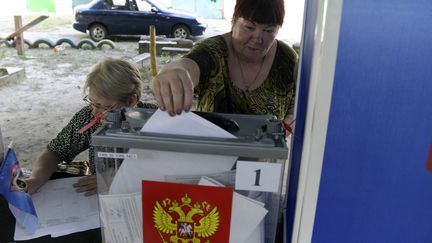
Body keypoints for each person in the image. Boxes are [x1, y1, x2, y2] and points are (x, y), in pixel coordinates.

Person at [152, 0, 298, 126]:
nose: (258, 38)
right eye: (249, 27)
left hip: (267, 156)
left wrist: (292, 117)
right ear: (234, 20)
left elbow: (296, 100)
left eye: (268, 30)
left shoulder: (287, 59)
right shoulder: (212, 51)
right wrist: (175, 70)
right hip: (215, 154)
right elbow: (190, 65)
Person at [26, 57, 157, 197]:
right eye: (92, 102)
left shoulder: (156, 120)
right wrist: (35, 179)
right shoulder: (89, 118)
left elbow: (166, 168)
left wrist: (115, 178)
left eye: (103, 106)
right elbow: (55, 151)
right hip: (98, 200)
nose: (94, 111)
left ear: (131, 101)